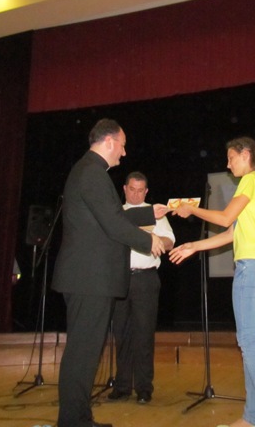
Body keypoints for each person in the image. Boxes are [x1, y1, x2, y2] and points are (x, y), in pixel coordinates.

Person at [51, 119, 168, 427]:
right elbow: (113, 223)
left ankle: (78, 417)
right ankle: (73, 421)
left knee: (85, 352)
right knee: (83, 353)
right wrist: (149, 241)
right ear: (109, 142)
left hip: (88, 278)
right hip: (89, 278)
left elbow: (109, 216)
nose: (124, 153)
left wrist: (149, 212)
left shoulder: (88, 170)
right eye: (123, 145)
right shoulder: (93, 173)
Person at [169, 137, 255, 427]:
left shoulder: (251, 180)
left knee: (250, 344)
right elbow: (232, 232)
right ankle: (253, 418)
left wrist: (191, 209)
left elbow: (223, 218)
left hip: (254, 269)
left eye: (231, 157)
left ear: (246, 155)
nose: (228, 164)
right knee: (249, 344)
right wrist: (193, 246)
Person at [107, 172, 175, 404]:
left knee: (144, 334)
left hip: (145, 279)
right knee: (121, 334)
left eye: (140, 190)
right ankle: (122, 386)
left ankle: (144, 388)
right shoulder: (116, 213)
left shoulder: (154, 212)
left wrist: (156, 240)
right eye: (132, 189)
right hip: (119, 279)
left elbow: (170, 241)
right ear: (124, 189)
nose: (136, 194)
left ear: (146, 191)